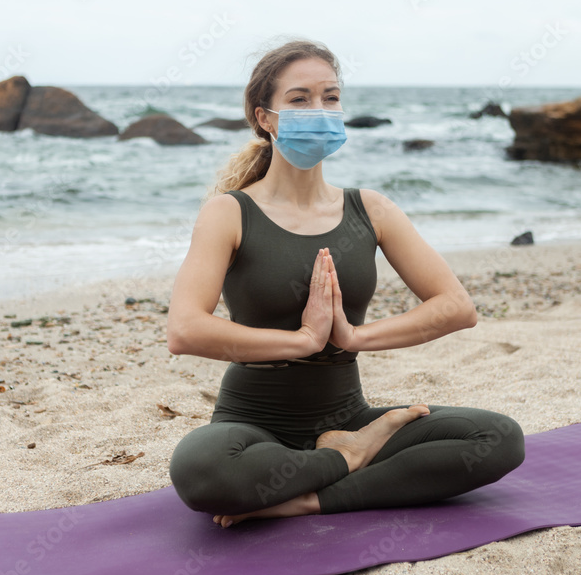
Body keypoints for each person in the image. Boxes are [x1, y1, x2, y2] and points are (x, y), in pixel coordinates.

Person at [166, 39, 524, 528]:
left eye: (330, 97)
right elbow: (184, 330)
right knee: (202, 471)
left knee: (498, 438)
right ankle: (348, 460)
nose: (319, 109)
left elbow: (456, 307)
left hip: (349, 416)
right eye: (299, 99)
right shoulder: (229, 213)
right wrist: (303, 340)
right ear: (264, 118)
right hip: (252, 426)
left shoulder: (369, 209)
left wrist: (354, 337)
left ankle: (314, 491)